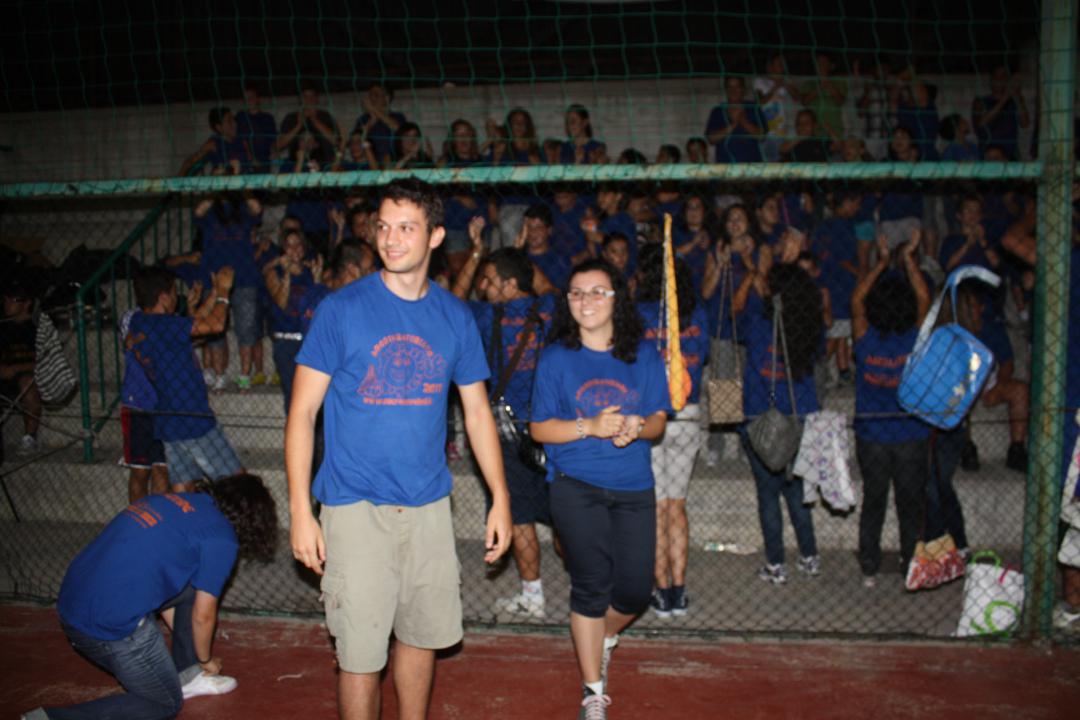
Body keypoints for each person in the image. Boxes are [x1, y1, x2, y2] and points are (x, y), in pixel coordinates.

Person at [286, 177, 512, 720]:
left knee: (421, 637)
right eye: (384, 226)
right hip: (355, 506)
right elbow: (302, 413)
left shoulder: (456, 316)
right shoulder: (341, 309)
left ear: (435, 236)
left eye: (407, 228)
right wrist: (299, 511)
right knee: (360, 657)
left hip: (429, 506)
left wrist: (501, 498)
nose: (391, 239)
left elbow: (477, 413)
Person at [529, 258, 669, 718]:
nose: (584, 301)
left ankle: (602, 636)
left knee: (634, 591)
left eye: (596, 292)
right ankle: (593, 692)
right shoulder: (555, 358)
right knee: (590, 586)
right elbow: (540, 429)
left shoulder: (642, 355)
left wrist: (637, 424)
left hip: (633, 486)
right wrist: (588, 426)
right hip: (575, 486)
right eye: (575, 292)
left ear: (616, 300)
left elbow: (658, 421)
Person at [20, 474, 277, 720]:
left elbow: (167, 586)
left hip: (71, 604)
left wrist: (189, 655)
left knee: (191, 588)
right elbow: (203, 615)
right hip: (107, 627)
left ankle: (188, 675)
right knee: (164, 702)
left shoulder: (168, 500)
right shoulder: (222, 538)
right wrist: (205, 660)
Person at [452, 226, 557, 620]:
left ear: (510, 285)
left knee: (521, 515)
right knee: (563, 512)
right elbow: (548, 288)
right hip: (552, 427)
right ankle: (585, 584)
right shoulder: (550, 310)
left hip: (507, 432)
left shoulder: (485, 316)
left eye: (491, 280)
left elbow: (451, 302)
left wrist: (476, 252)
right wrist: (520, 254)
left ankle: (533, 595)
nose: (483, 286)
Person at [732, 241, 824, 585]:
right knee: (796, 490)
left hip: (761, 417)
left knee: (768, 493)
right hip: (800, 416)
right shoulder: (810, 326)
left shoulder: (759, 322)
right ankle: (809, 556)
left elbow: (735, 311)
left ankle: (776, 564)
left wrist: (754, 273)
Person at [851, 232, 932, 586]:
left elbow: (856, 299)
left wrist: (882, 262)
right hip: (911, 434)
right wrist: (909, 260)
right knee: (909, 505)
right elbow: (925, 299)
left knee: (874, 501)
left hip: (872, 436)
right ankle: (909, 564)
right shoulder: (915, 339)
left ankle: (869, 568)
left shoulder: (864, 337)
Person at [635, 245, 708, 618]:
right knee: (677, 505)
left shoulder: (641, 314)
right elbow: (702, 354)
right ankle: (678, 590)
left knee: (658, 507)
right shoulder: (697, 314)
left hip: (653, 415)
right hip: (687, 412)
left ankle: (661, 590)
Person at [127, 267, 244, 492]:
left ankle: (185, 515)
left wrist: (211, 295)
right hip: (192, 419)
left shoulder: (141, 322)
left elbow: (190, 328)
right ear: (163, 297)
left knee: (183, 487)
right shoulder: (162, 325)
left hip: (168, 419)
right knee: (239, 485)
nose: (176, 298)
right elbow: (215, 325)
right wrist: (223, 293)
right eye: (173, 293)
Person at [194, 193, 263, 391]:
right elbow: (198, 212)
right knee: (214, 329)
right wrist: (214, 188)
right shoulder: (210, 209)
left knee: (246, 328)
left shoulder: (243, 207)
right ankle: (219, 374)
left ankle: (244, 375)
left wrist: (240, 186)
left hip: (244, 277)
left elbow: (257, 208)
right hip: (214, 278)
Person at [263, 228, 319, 412]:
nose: (294, 249)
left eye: (298, 244)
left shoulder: (310, 270)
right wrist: (287, 274)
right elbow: (281, 302)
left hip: (308, 340)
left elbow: (317, 301)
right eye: (289, 245)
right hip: (286, 341)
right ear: (283, 249)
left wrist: (317, 277)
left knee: (313, 395)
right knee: (293, 395)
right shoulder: (274, 272)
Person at [119, 307, 169, 503]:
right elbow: (129, 341)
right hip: (137, 406)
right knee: (140, 471)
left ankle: (159, 519)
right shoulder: (133, 316)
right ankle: (138, 518)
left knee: (162, 468)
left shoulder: (167, 319)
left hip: (163, 407)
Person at [0, 280, 43, 456]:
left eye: (13, 300)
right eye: (5, 299)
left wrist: (15, 369)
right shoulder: (3, 326)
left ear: (26, 303)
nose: (7, 303)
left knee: (27, 382)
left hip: (26, 376)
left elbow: (45, 360)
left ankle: (30, 437)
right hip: (3, 375)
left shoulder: (37, 328)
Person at [276, 82, 343, 167]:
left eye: (312, 96)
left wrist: (314, 120)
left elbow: (336, 142)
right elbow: (279, 145)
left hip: (324, 165)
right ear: (300, 99)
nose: (309, 100)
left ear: (317, 99)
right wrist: (299, 125)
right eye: (305, 97)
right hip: (297, 166)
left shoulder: (325, 116)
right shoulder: (291, 118)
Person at [971, 66, 1030, 160]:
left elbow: (1025, 123)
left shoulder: (1014, 101)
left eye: (1003, 76)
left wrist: (1018, 97)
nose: (1000, 80)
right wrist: (1004, 98)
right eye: (997, 76)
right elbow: (981, 123)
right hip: (989, 155)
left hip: (1010, 155)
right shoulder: (980, 101)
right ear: (991, 80)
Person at [705, 76, 765, 163]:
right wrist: (733, 124)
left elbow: (761, 136)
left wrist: (743, 121)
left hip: (752, 166)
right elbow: (711, 139)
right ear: (725, 90)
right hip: (725, 166)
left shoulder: (753, 108)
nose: (733, 90)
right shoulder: (718, 111)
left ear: (743, 89)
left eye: (737, 86)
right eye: (730, 87)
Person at [178, 107, 247, 176]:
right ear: (219, 127)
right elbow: (190, 161)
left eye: (233, 119)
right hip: (227, 180)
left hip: (248, 178)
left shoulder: (241, 139)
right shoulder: (213, 143)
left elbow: (250, 160)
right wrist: (177, 179)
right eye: (229, 121)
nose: (235, 124)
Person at [353, 84, 407, 167]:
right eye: (370, 95)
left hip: (395, 163)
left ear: (387, 98)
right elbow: (357, 140)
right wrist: (370, 123)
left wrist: (374, 109)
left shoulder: (398, 116)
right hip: (370, 165)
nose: (372, 98)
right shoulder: (363, 119)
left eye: (376, 95)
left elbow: (399, 130)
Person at [235, 85, 277, 172]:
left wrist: (273, 151)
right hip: (246, 161)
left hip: (264, 160)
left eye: (252, 97)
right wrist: (251, 159)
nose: (249, 100)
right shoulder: (241, 116)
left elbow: (273, 139)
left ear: (258, 99)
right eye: (246, 98)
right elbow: (241, 140)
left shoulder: (268, 118)